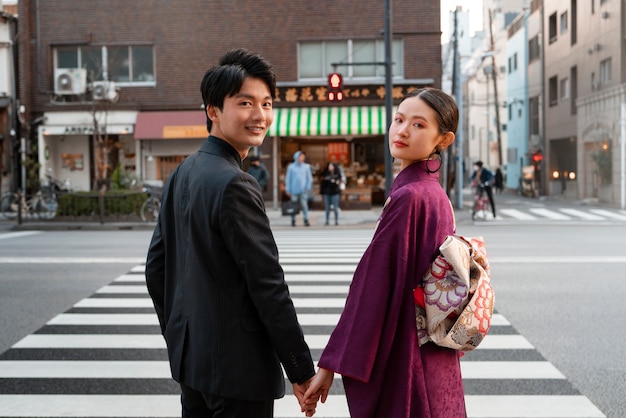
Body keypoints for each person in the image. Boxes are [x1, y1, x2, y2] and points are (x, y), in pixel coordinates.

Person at [145, 48, 318, 418]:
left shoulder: (181, 173)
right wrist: (301, 369)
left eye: (267, 103)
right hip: (237, 372)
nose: (260, 115)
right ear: (213, 111)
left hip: (192, 364)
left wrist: (179, 337)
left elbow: (156, 269)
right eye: (245, 103)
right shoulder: (235, 183)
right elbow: (268, 284)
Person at [303, 88, 467, 417]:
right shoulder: (432, 193)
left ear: (443, 140)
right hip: (432, 350)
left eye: (419, 125)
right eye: (399, 119)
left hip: (407, 350)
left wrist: (332, 362)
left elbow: (373, 287)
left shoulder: (411, 197)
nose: (403, 130)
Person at [285, 150, 312, 227]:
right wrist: (288, 189)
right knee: (294, 206)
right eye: (300, 157)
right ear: (296, 157)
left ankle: (306, 219)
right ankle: (293, 220)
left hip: (303, 190)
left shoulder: (306, 167)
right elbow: (288, 179)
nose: (302, 158)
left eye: (303, 157)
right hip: (293, 190)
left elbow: (309, 178)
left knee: (304, 206)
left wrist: (307, 187)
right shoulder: (291, 167)